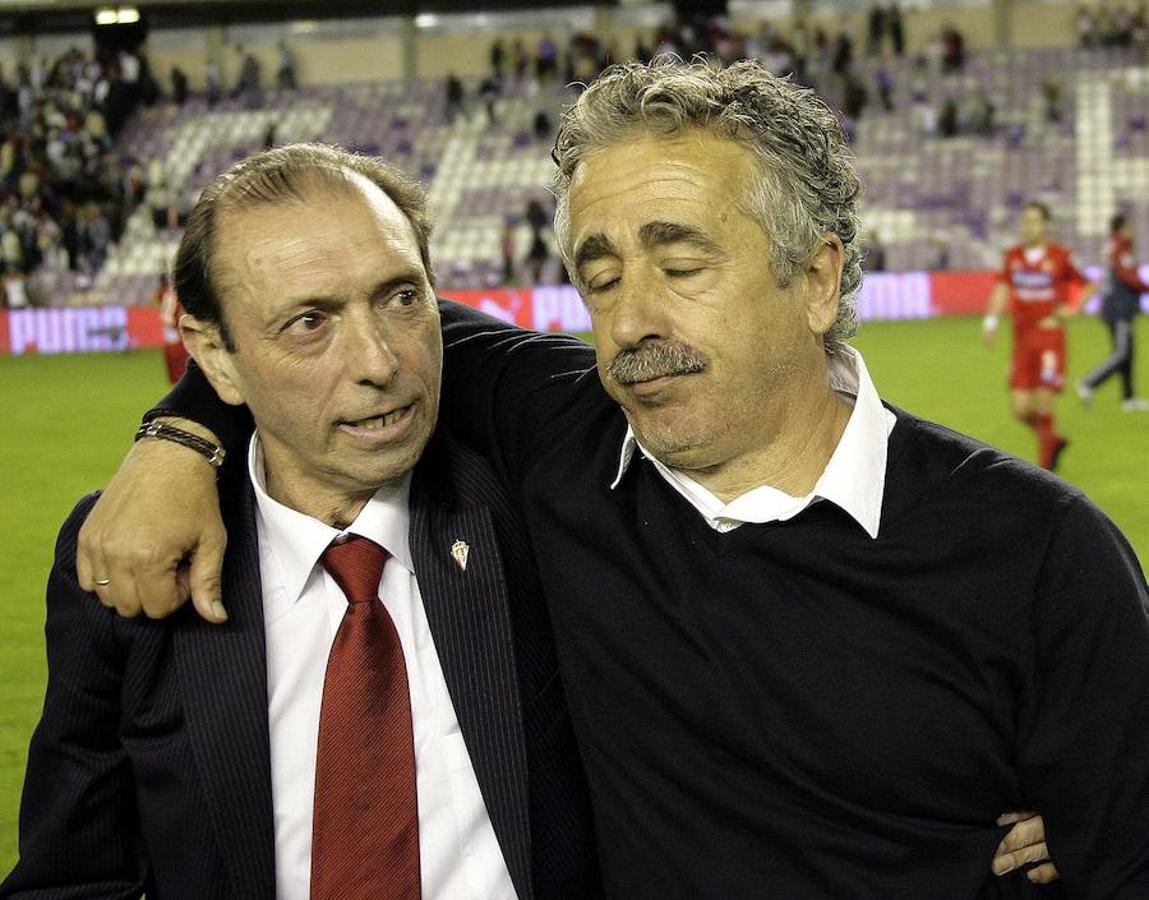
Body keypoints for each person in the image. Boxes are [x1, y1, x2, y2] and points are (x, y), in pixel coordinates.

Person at [79, 63, 1129, 896]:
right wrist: (181, 435)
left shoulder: (1036, 553)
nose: (632, 323)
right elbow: (323, 322)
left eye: (681, 267)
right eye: (600, 276)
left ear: (816, 278)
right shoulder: (564, 438)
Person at [1, 145, 600, 899]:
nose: (379, 360)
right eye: (309, 322)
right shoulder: (130, 560)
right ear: (213, 357)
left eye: (401, 298)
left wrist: (179, 431)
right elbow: (72, 880)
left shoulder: (541, 516)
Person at [982, 201, 1098, 470]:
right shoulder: (1013, 256)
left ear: (1045, 225)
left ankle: (1047, 469)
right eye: (1025, 221)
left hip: (1049, 338)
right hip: (1021, 339)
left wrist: (1075, 308)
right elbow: (1002, 288)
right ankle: (1052, 440)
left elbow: (1088, 283)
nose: (1028, 226)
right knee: (1020, 408)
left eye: (1034, 221)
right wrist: (990, 321)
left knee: (1044, 401)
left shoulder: (1060, 256)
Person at [1078, 212, 1149, 411]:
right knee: (1122, 352)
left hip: (1112, 305)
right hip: (1120, 307)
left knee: (1128, 352)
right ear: (1121, 229)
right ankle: (1089, 382)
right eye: (1129, 227)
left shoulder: (1111, 246)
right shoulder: (1120, 248)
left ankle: (1129, 399)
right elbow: (1128, 276)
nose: (1132, 231)